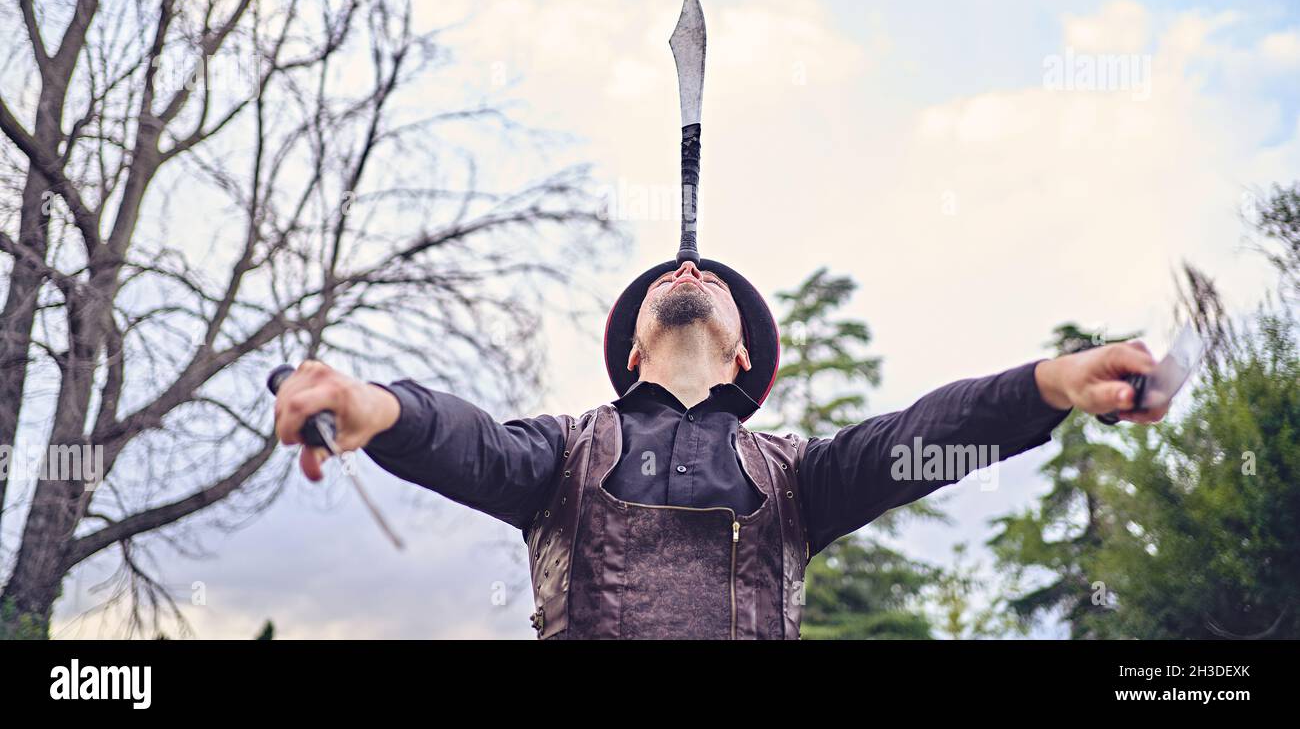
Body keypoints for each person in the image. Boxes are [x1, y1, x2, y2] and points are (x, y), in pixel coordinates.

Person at [273, 256, 1164, 639]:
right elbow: (471, 445)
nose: (688, 271)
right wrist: (379, 406)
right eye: (672, 277)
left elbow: (920, 437)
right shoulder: (561, 453)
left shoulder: (805, 479)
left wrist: (1049, 384)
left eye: (710, 282)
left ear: (743, 355)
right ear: (631, 354)